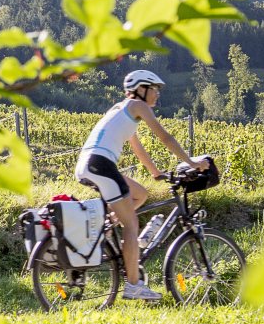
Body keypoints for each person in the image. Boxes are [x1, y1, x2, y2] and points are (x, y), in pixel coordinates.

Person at [74, 69, 211, 301]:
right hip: (101, 164)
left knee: (141, 194)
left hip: (90, 164)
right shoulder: (138, 107)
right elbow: (165, 137)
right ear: (140, 89)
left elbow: (137, 148)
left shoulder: (122, 110)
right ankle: (134, 285)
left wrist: (155, 172)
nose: (157, 94)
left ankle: (108, 232)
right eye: (154, 89)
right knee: (131, 223)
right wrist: (191, 162)